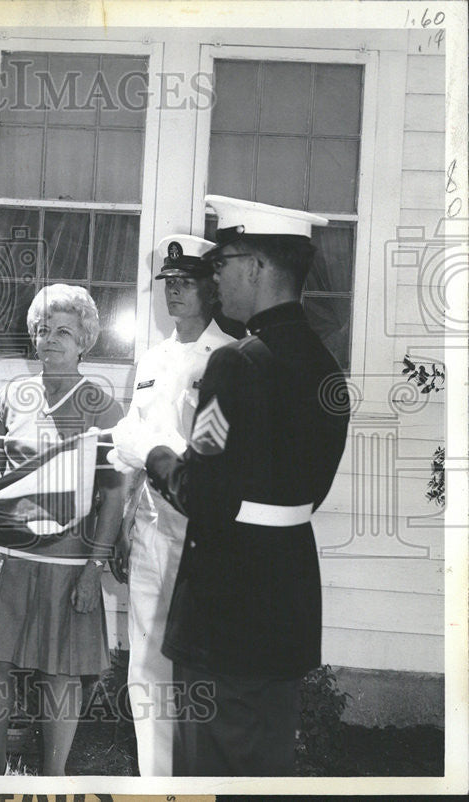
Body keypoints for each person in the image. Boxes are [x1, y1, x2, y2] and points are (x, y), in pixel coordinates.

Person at [110, 195, 351, 776]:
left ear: (258, 268)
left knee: (209, 765)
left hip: (226, 601)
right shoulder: (326, 367)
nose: (215, 275)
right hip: (288, 587)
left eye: (224, 262)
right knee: (264, 762)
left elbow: (203, 495)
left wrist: (150, 450)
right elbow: (309, 492)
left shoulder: (234, 365)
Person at [0, 283, 125, 776]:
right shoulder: (11, 395)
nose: (51, 340)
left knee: (61, 671)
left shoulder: (102, 407)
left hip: (68, 561)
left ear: (85, 340)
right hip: (5, 553)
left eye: (63, 331)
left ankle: (53, 776)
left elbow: (113, 495)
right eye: (43, 330)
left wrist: (95, 566)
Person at [113, 235, 235, 777]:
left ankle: (201, 777)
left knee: (200, 662)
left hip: (201, 529)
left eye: (187, 282)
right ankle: (154, 781)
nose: (176, 292)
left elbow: (218, 453)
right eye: (170, 284)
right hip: (149, 525)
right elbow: (127, 446)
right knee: (144, 662)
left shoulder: (229, 357)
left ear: (212, 288)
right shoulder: (153, 358)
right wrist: (120, 522)